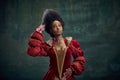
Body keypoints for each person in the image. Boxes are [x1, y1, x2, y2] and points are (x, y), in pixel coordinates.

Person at [27, 9, 86, 80]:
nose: (58, 28)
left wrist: (73, 68)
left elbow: (80, 58)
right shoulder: (48, 45)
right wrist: (38, 33)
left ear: (62, 28)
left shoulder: (71, 43)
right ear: (51, 30)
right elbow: (33, 52)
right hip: (51, 77)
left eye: (59, 25)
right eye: (55, 26)